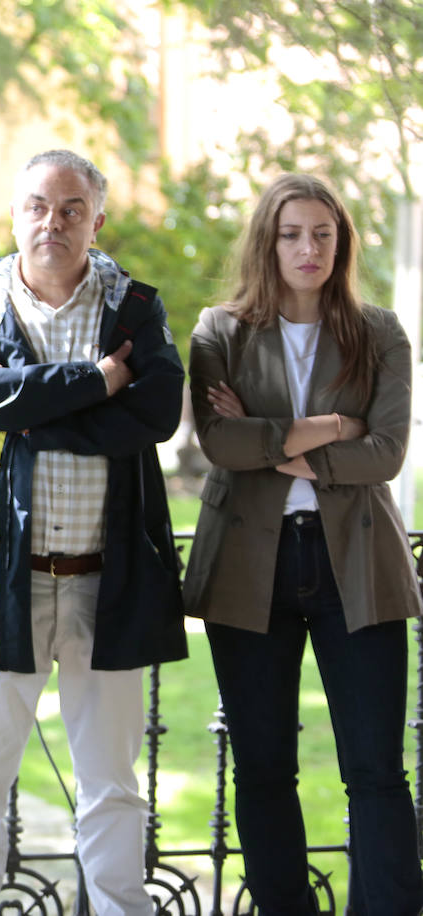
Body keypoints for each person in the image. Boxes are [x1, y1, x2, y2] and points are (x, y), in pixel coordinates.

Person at [0, 150, 187, 915]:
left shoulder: (133, 308)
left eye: (69, 209)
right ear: (14, 211)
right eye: (35, 205)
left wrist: (28, 412)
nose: (50, 222)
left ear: (97, 219)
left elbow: (156, 414)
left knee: (114, 789)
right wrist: (96, 382)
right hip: (1, 581)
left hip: (109, 578)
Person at [184, 173, 423, 913]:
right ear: (268, 241)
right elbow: (218, 443)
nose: (308, 247)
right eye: (292, 233)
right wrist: (331, 429)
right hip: (248, 565)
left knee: (376, 769)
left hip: (357, 561)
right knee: (261, 768)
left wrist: (279, 445)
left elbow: (385, 454)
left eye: (322, 233)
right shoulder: (218, 331)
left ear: (340, 242)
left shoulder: (377, 331)